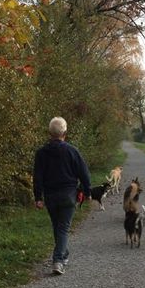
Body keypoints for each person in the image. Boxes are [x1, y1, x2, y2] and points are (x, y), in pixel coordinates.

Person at [33, 117, 91, 275]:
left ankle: (63, 255)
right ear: (65, 133)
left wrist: (38, 197)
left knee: (57, 226)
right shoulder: (72, 151)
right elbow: (84, 173)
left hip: (51, 196)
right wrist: (87, 192)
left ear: (49, 133)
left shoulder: (41, 153)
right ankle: (58, 261)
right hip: (68, 195)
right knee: (63, 228)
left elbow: (37, 177)